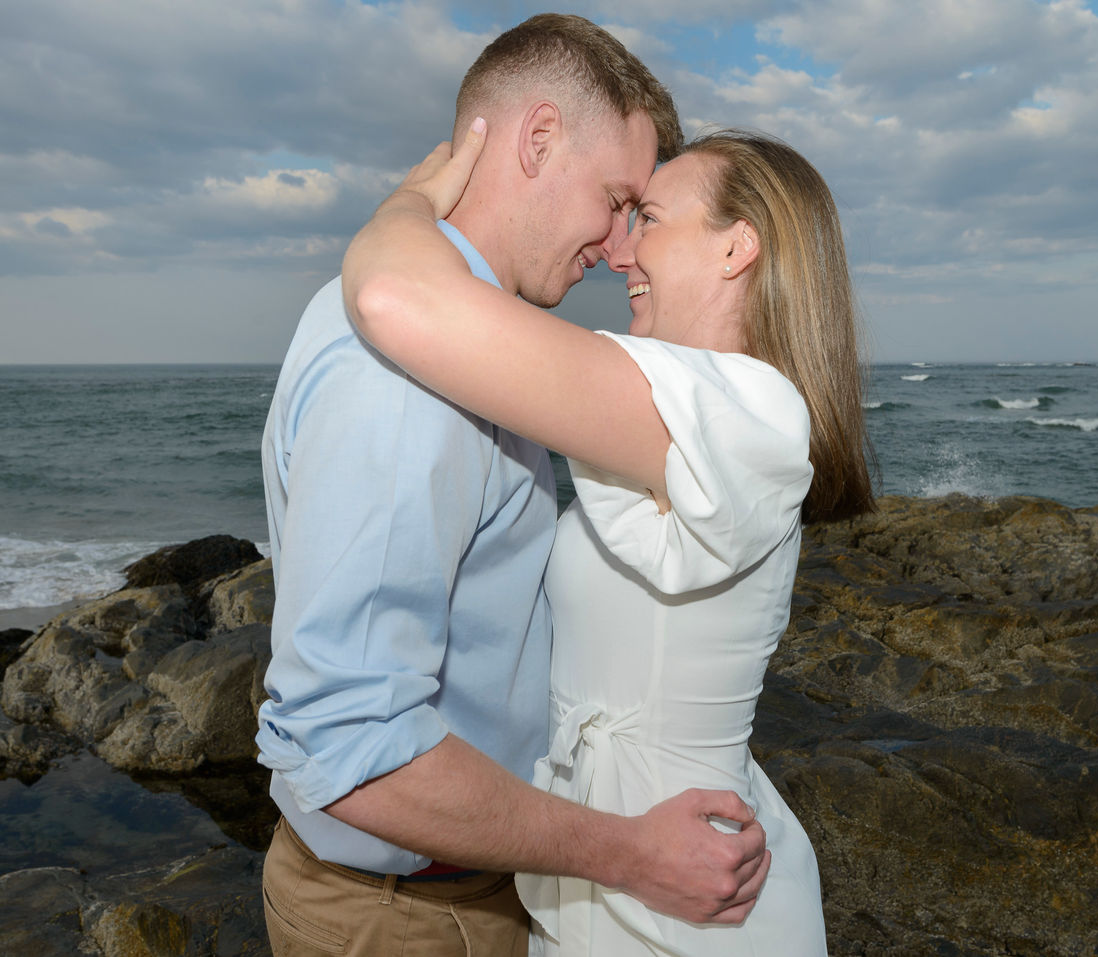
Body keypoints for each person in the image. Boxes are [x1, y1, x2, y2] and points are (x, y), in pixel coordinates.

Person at [256, 15, 771, 957]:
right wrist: (623, 852)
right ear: (538, 139)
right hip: (401, 914)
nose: (618, 247)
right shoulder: (406, 379)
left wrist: (398, 218)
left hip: (470, 883)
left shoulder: (473, 345)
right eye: (617, 199)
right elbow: (353, 746)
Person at [341, 117, 876, 954]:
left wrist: (408, 206)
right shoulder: (692, 409)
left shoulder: (748, 412)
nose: (621, 252)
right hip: (626, 856)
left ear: (738, 248)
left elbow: (392, 298)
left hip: (679, 890)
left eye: (651, 220)